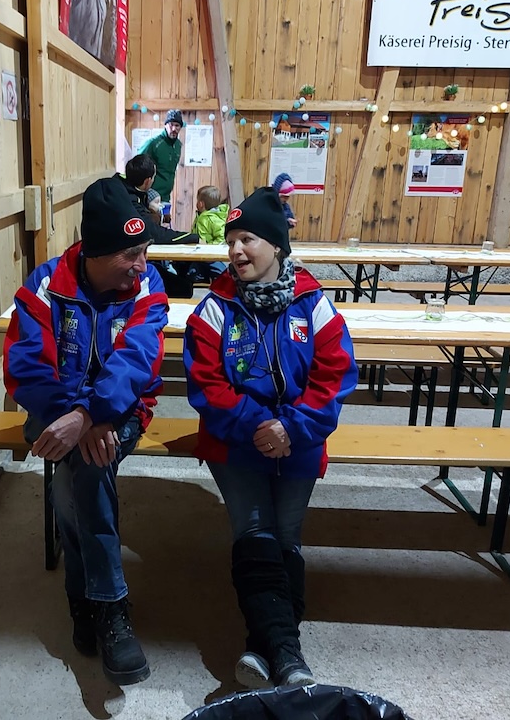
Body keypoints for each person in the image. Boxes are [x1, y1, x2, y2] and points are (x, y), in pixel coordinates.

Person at [182, 187, 358, 690]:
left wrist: (292, 428)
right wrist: (260, 427)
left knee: (286, 537)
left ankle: (265, 648)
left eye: (248, 239)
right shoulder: (214, 309)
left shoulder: (314, 304)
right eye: (230, 241)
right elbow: (207, 386)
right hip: (236, 442)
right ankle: (289, 656)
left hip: (299, 441)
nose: (236, 251)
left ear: (277, 244)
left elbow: (335, 376)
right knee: (256, 531)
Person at [3, 176, 168, 686]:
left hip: (121, 409)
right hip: (53, 409)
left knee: (85, 470)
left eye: (144, 251)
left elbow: (138, 358)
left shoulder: (147, 284)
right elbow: (26, 367)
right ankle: (108, 606)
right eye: (131, 254)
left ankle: (90, 599)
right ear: (95, 252)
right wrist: (76, 414)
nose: (142, 264)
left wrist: (93, 414)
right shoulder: (46, 284)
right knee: (86, 467)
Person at [117, 154, 198, 297]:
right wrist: (192, 237)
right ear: (147, 181)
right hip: (128, 263)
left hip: (126, 258)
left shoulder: (120, 189)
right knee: (185, 289)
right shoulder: (131, 200)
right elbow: (156, 234)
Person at [138, 108, 183, 202]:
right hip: (150, 195)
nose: (174, 129)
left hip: (166, 196)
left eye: (177, 125)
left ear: (180, 127)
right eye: (171, 125)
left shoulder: (178, 145)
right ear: (165, 125)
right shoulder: (153, 144)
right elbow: (137, 166)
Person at [190, 185, 229, 283]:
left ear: (201, 204)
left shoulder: (213, 219)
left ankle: (221, 282)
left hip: (211, 255)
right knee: (192, 271)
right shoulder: (201, 216)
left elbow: (222, 237)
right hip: (198, 253)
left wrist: (210, 247)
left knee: (218, 271)